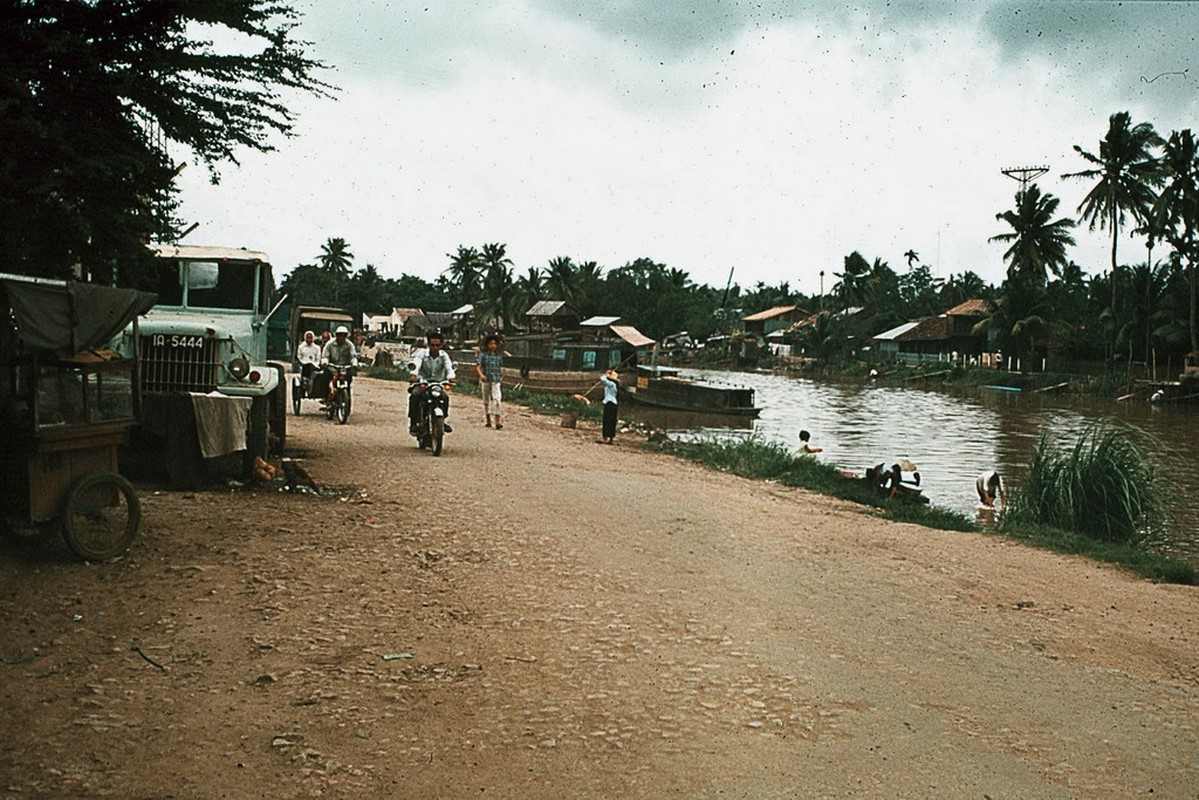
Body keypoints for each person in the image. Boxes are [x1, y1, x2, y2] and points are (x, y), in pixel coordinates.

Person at [408, 330, 456, 434]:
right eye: (432, 345)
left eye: (437, 345)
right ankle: (413, 423)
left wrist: (451, 377)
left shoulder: (444, 356)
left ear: (441, 345)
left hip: (438, 383)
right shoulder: (422, 354)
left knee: (444, 397)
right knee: (415, 395)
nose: (435, 347)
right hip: (423, 382)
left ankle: (442, 421)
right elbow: (416, 364)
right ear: (428, 344)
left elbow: (449, 368)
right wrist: (414, 375)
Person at [320, 325, 358, 404]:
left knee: (348, 379)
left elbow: (353, 356)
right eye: (340, 335)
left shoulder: (349, 345)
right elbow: (325, 356)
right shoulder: (329, 344)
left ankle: (346, 397)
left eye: (344, 335)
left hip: (344, 368)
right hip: (332, 367)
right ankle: (325, 396)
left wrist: (354, 364)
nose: (342, 337)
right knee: (325, 377)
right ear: (336, 335)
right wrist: (325, 362)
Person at [476, 332, 504, 429]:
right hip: (486, 380)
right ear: (487, 345)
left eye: (494, 344)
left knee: (497, 400)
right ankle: (488, 420)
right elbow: (478, 367)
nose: (492, 346)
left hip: (496, 380)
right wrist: (481, 375)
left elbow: (500, 368)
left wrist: (501, 376)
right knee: (486, 400)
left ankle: (497, 421)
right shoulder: (484, 355)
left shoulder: (498, 356)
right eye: (491, 344)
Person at [597, 369, 619, 444]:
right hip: (612, 403)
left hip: (610, 403)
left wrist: (606, 374)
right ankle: (609, 438)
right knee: (611, 421)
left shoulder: (612, 384)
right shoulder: (612, 385)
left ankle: (606, 438)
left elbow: (602, 379)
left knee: (607, 420)